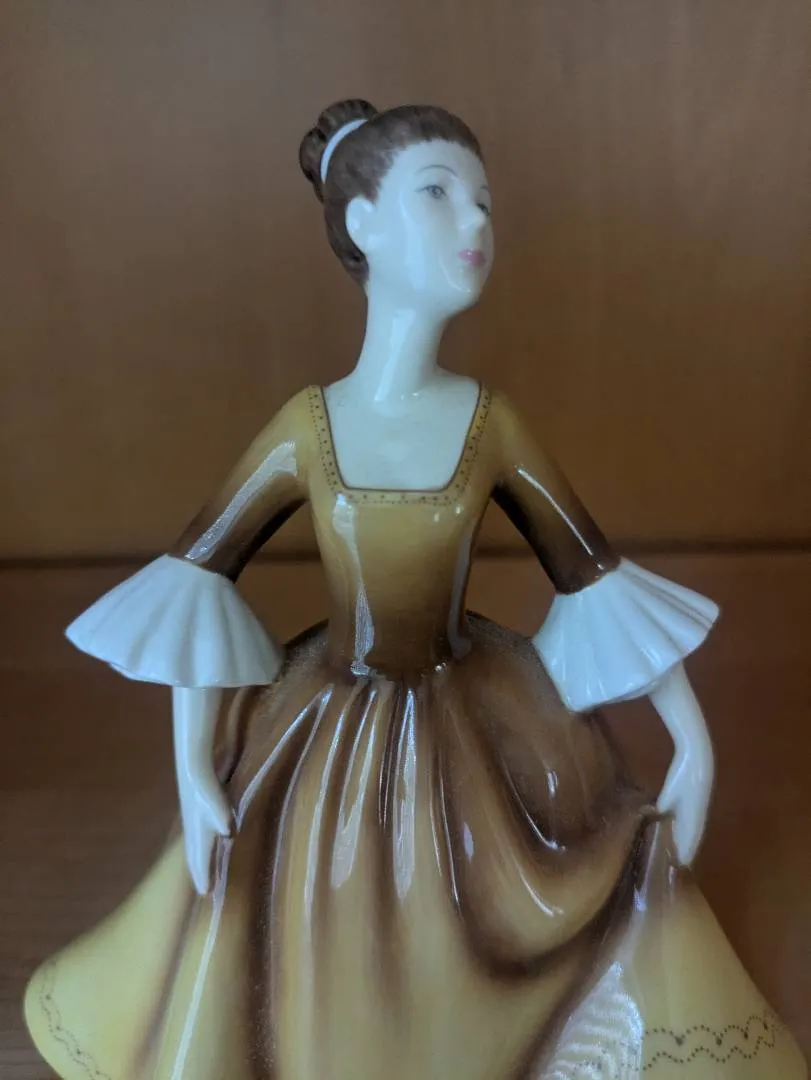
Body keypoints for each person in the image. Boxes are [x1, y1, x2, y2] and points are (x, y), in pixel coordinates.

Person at [24, 99, 806, 1080]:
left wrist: (691, 737)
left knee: (546, 885)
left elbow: (591, 575)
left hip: (470, 720)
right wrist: (192, 765)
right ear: (363, 225)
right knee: (293, 912)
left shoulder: (490, 424)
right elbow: (197, 577)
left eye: (483, 201)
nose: (475, 220)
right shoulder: (308, 429)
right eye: (438, 194)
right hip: (329, 726)